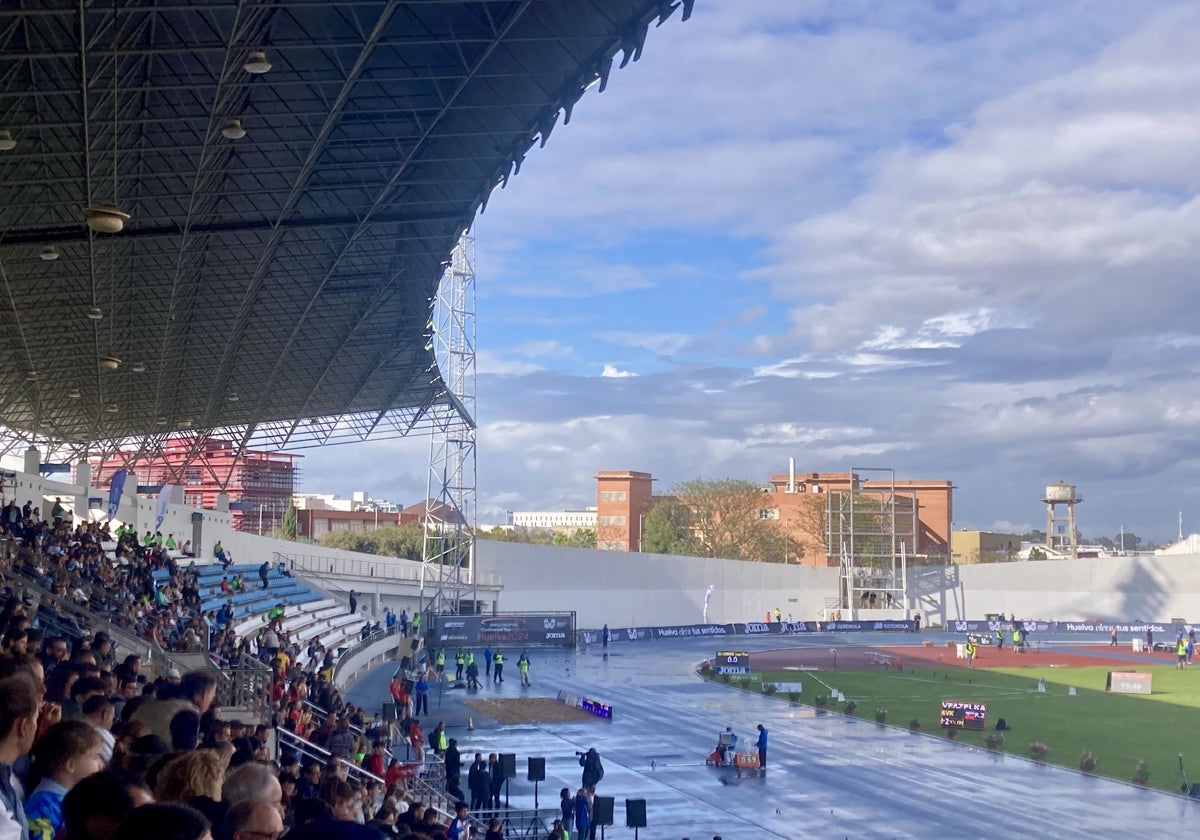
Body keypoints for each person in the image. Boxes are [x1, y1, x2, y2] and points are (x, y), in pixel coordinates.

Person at [26, 720, 106, 840]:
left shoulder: (76, 796)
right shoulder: (44, 806)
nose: (101, 765)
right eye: (95, 757)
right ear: (70, 765)